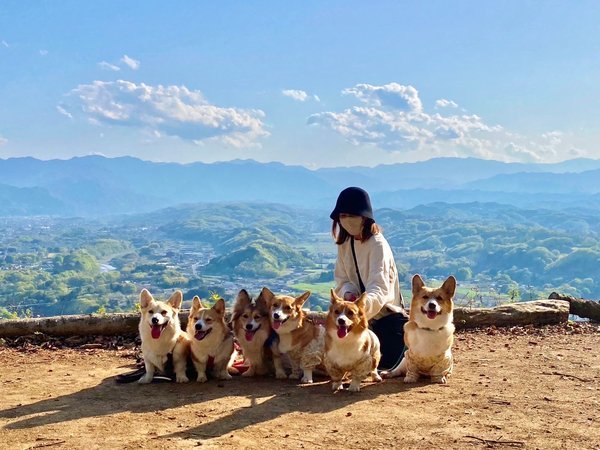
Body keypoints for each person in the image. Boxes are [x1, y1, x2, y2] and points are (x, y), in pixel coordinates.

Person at [330, 186, 407, 369]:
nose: (346, 220)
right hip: (353, 319)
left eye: (351, 215)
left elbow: (379, 289)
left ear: (364, 217)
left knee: (377, 365)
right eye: (343, 216)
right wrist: (348, 294)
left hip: (385, 320)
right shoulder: (345, 243)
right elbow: (342, 279)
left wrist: (359, 311)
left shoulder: (377, 245)